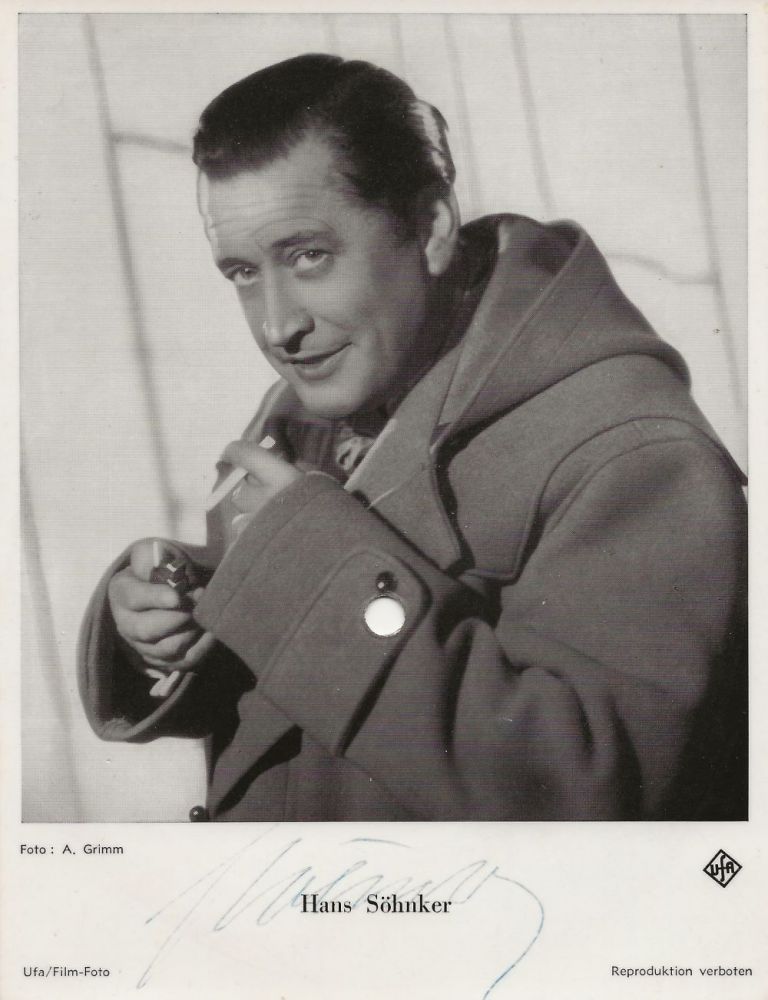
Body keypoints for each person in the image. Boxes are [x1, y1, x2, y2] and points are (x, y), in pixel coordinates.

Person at [78, 53, 747, 822]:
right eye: (242, 272)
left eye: (308, 256)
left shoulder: (638, 455)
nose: (277, 326)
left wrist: (302, 575)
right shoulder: (316, 395)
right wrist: (178, 615)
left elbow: (584, 794)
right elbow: (297, 716)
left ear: (429, 229)